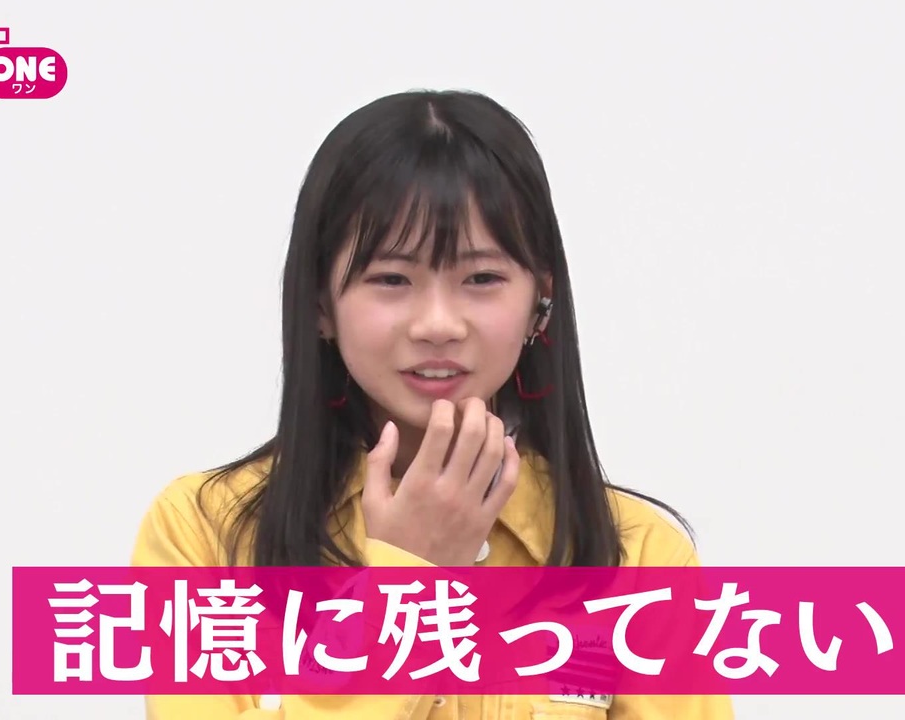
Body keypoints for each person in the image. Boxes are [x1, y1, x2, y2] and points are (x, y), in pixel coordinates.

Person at [131, 89, 735, 719]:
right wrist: (411, 578)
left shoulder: (638, 559)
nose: (439, 324)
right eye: (391, 279)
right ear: (320, 305)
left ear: (540, 303)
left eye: (482, 279)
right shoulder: (204, 534)